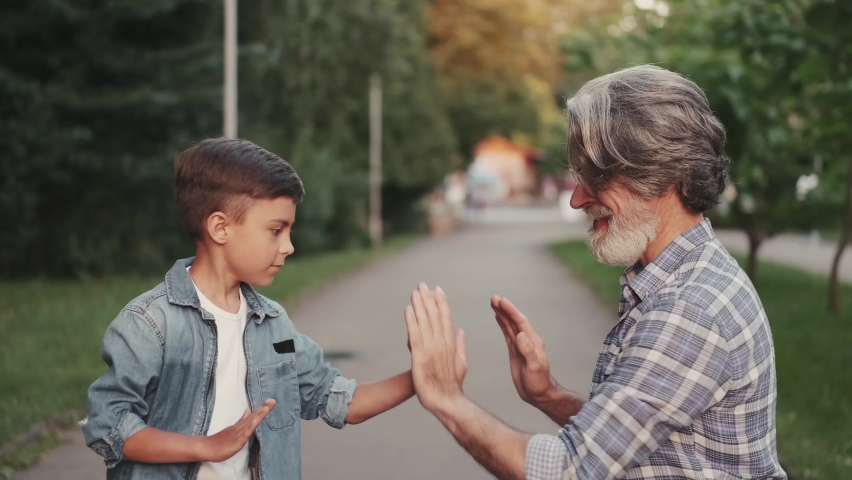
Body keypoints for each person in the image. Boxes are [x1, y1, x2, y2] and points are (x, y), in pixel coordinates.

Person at [403, 65, 787, 479]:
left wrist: (447, 400)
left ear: (663, 176)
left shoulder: (689, 311)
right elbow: (638, 439)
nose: (577, 199)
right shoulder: (686, 275)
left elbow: (571, 470)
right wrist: (548, 395)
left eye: (597, 177)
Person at [80, 138, 414, 480]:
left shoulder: (274, 325)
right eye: (275, 230)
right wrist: (205, 446)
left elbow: (334, 398)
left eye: (289, 230)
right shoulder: (151, 324)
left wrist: (420, 378)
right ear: (220, 228)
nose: (288, 246)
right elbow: (110, 424)